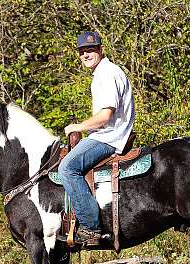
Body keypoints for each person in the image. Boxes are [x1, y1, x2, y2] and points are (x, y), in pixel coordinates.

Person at [59, 31, 135, 246]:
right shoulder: (104, 72)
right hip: (108, 135)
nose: (86, 54)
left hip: (109, 138)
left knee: (67, 169)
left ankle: (91, 228)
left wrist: (78, 127)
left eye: (90, 50)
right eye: (82, 51)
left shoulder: (107, 74)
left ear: (101, 50)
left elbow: (104, 117)